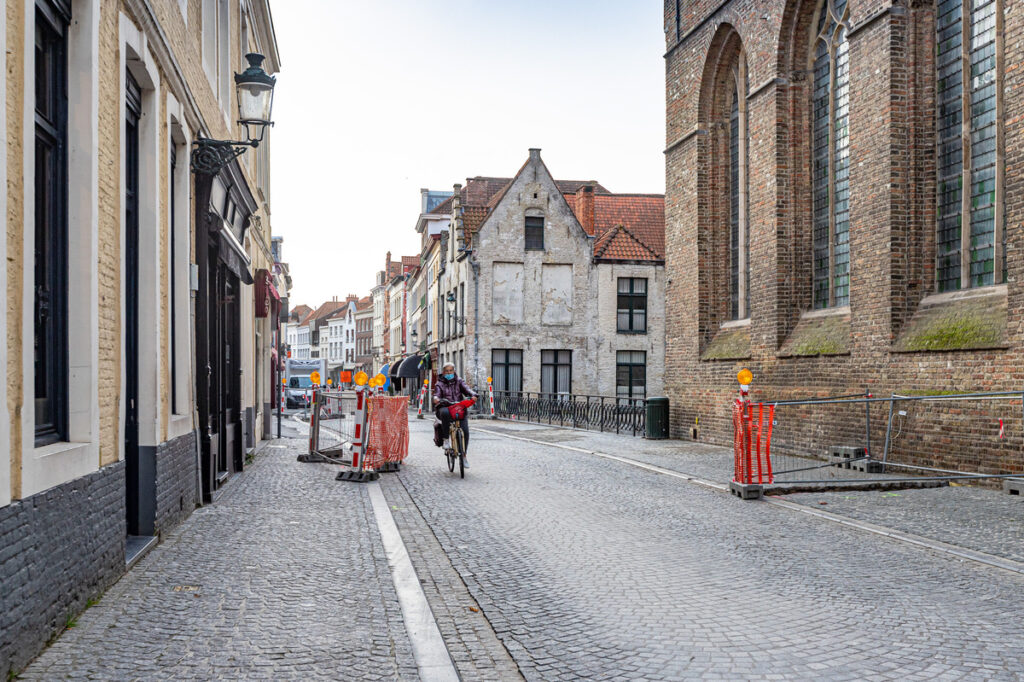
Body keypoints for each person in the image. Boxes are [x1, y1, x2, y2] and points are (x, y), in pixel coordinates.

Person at [433, 363, 477, 467]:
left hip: (458, 407)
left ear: (454, 371)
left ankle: (464, 456)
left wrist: (473, 394)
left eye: (451, 371)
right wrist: (436, 399)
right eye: (446, 371)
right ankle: (446, 440)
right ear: (443, 372)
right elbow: (436, 394)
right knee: (444, 412)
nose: (449, 373)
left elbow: (467, 389)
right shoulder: (439, 384)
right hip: (446, 406)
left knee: (465, 431)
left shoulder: (459, 381)